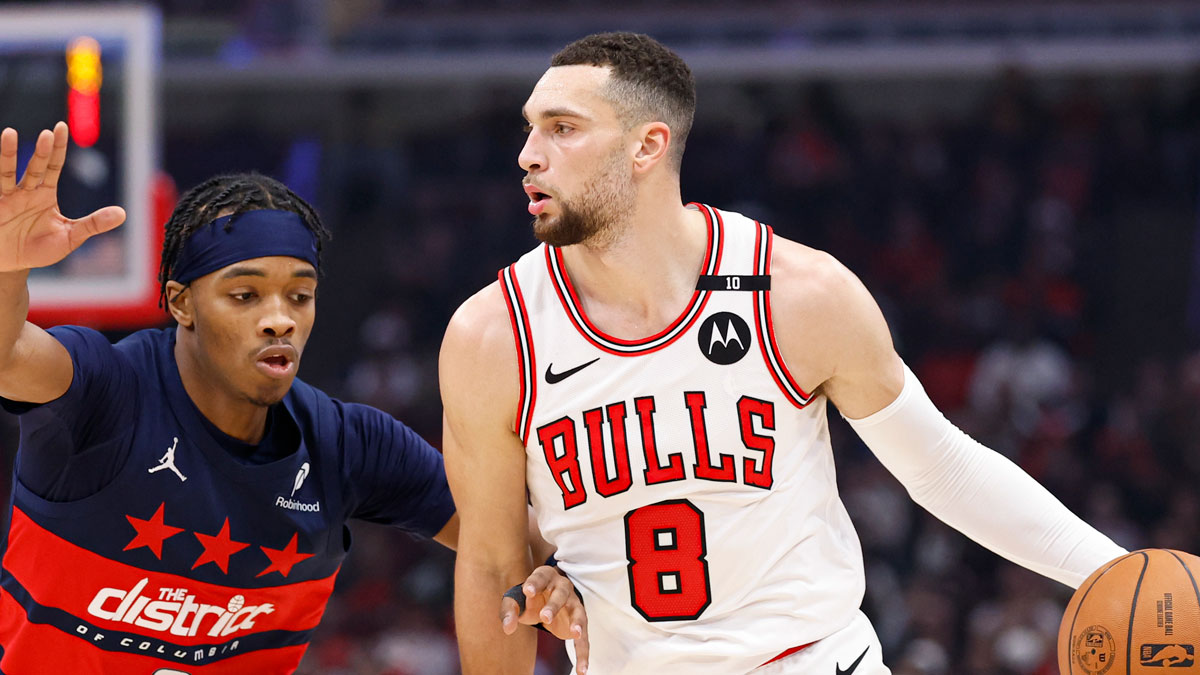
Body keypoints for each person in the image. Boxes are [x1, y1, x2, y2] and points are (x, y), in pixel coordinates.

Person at [440, 32, 1128, 675]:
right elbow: (492, 566)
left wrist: (1116, 571)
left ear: (646, 146)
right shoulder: (491, 336)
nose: (528, 153)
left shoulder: (799, 293)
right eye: (530, 128)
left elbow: (941, 466)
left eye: (561, 128)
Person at [0, 122, 586, 674]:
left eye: (299, 296)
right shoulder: (108, 389)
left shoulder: (347, 445)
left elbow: (507, 540)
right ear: (180, 304)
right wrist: (5, 269)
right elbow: (9, 357)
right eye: (245, 295)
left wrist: (560, 571)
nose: (278, 320)